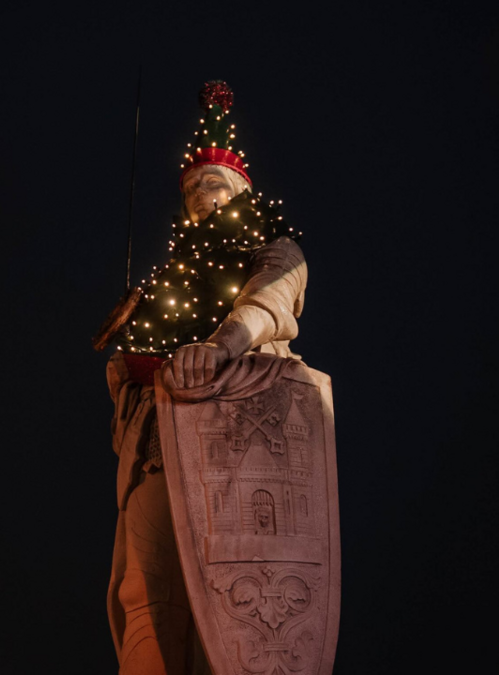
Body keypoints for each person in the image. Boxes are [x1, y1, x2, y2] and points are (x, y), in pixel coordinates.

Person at [107, 82, 307, 675]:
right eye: (191, 187)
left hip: (235, 443)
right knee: (144, 594)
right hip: (154, 448)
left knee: (238, 599)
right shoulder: (167, 281)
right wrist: (126, 368)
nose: (199, 194)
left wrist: (220, 345)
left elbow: (272, 297)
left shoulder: (270, 244)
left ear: (242, 190)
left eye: (212, 183)